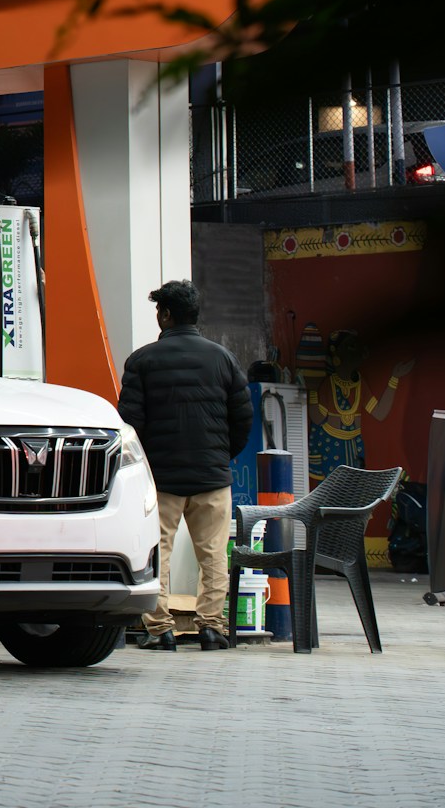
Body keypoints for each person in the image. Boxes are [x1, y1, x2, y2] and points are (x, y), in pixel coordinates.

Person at [118, 279, 253, 652]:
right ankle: (211, 627)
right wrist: (221, 456)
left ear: (165, 315)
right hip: (212, 476)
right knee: (212, 555)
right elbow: (243, 419)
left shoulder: (142, 361)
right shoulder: (223, 358)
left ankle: (160, 631)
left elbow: (130, 423)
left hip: (161, 479)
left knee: (157, 552)